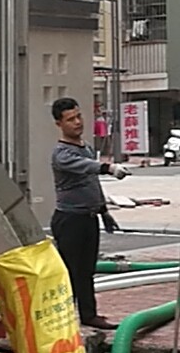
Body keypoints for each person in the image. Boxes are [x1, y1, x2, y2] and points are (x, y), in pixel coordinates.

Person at [50, 97, 129, 331]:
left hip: (88, 217)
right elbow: (86, 167)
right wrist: (108, 167)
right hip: (69, 219)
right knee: (69, 272)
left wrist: (103, 210)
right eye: (70, 119)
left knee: (86, 270)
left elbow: (91, 181)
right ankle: (62, 320)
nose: (77, 122)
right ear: (59, 123)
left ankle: (88, 314)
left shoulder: (84, 147)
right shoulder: (61, 153)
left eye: (78, 116)